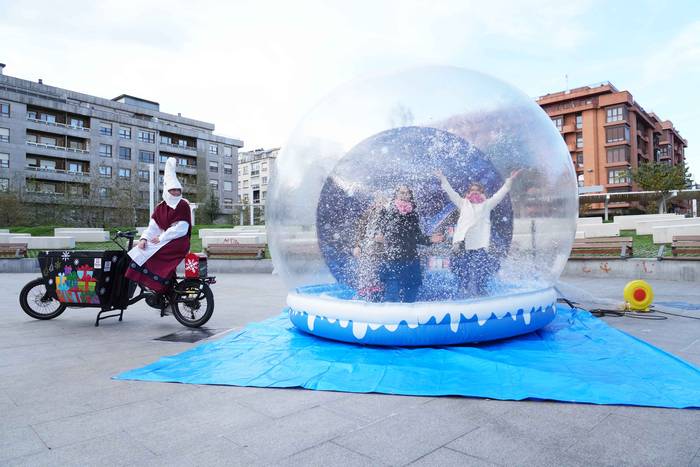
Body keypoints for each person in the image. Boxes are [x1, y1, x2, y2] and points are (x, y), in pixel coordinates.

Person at [436, 169, 522, 296]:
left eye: (478, 190)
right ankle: (462, 292)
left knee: (480, 270)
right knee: (461, 271)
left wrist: (510, 180)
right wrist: (442, 178)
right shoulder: (463, 203)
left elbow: (500, 194)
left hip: (479, 244)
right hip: (462, 243)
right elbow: (451, 192)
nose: (474, 192)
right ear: (468, 193)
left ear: (482, 193)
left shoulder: (487, 204)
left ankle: (481, 292)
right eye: (472, 190)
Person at [125, 157, 192, 293]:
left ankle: (157, 285)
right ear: (166, 191)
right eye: (172, 190)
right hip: (166, 240)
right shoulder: (160, 208)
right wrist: (144, 239)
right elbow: (152, 227)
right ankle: (163, 288)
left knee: (150, 251)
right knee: (142, 248)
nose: (176, 193)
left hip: (178, 242)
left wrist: (161, 237)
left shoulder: (183, 205)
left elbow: (181, 228)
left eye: (178, 190)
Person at [375, 185, 443, 302]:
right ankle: (391, 317)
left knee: (412, 289)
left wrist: (430, 239)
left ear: (410, 196)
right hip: (393, 258)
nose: (404, 195)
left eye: (407, 193)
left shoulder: (413, 213)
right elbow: (377, 230)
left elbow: (416, 236)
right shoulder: (387, 210)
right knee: (392, 291)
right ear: (396, 194)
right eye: (402, 193)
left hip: (410, 257)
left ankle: (407, 317)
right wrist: (378, 235)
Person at [352, 193, 387, 302]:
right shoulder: (369, 214)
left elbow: (394, 236)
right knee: (365, 273)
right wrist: (357, 246)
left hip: (381, 253)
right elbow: (360, 232)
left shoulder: (389, 216)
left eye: (384, 202)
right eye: (379, 201)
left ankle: (378, 297)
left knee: (378, 276)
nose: (381, 204)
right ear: (375, 203)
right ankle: (364, 296)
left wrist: (385, 240)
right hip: (367, 250)